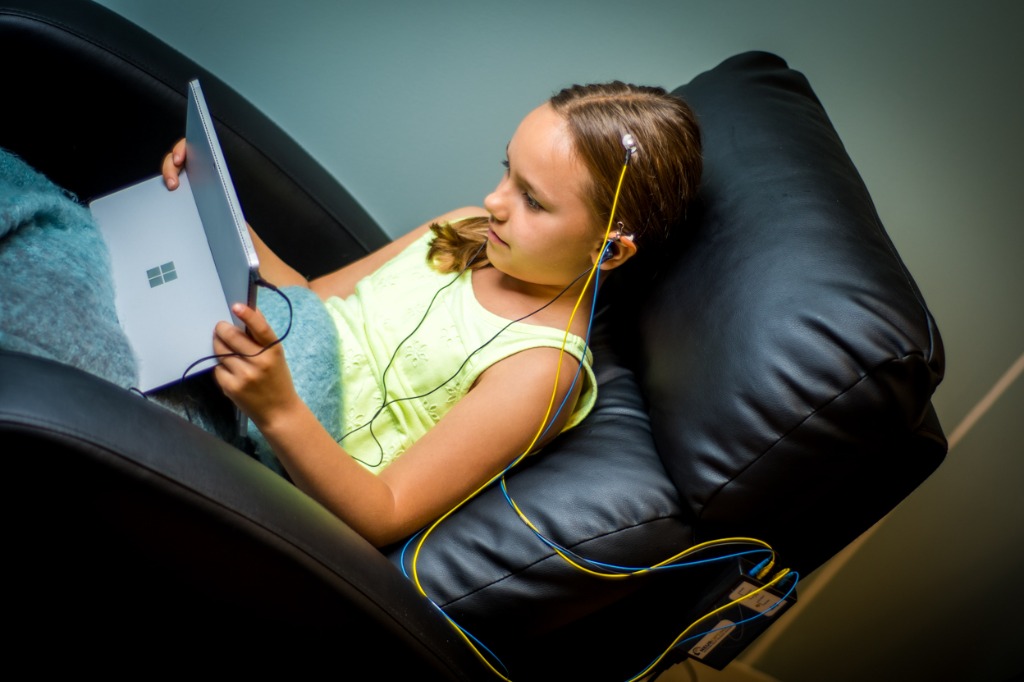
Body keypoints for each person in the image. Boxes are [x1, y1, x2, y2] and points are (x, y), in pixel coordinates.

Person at [161, 82, 702, 548]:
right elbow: (313, 298)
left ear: (608, 250)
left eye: (533, 201)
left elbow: (385, 513)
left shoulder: (540, 368)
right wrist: (218, 213)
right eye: (507, 170)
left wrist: (278, 410)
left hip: (273, 458)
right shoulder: (466, 227)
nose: (495, 199)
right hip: (256, 368)